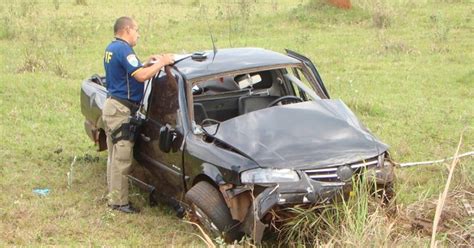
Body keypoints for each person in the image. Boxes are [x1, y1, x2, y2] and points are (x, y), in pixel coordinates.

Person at [102, 16, 174, 213]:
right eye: (136, 30)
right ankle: (119, 203)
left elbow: (127, 73)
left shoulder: (112, 48)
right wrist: (162, 63)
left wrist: (145, 63)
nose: (138, 35)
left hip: (111, 106)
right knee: (122, 159)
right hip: (120, 110)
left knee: (113, 155)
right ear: (126, 30)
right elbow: (141, 77)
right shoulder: (124, 49)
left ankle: (113, 196)